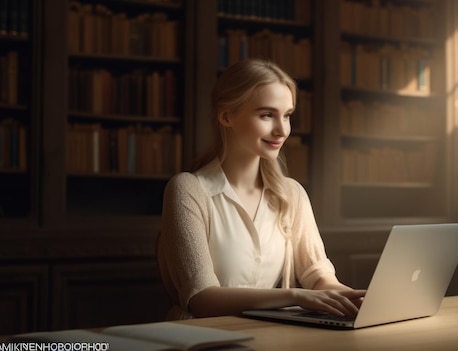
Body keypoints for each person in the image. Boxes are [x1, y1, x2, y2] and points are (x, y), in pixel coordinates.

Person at [157, 58, 366, 320]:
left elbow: (319, 276)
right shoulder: (188, 189)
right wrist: (294, 296)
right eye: (267, 115)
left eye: (287, 115)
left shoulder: (291, 194)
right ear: (226, 116)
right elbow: (201, 299)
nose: (282, 130)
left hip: (268, 336)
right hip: (202, 338)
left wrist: (356, 300)